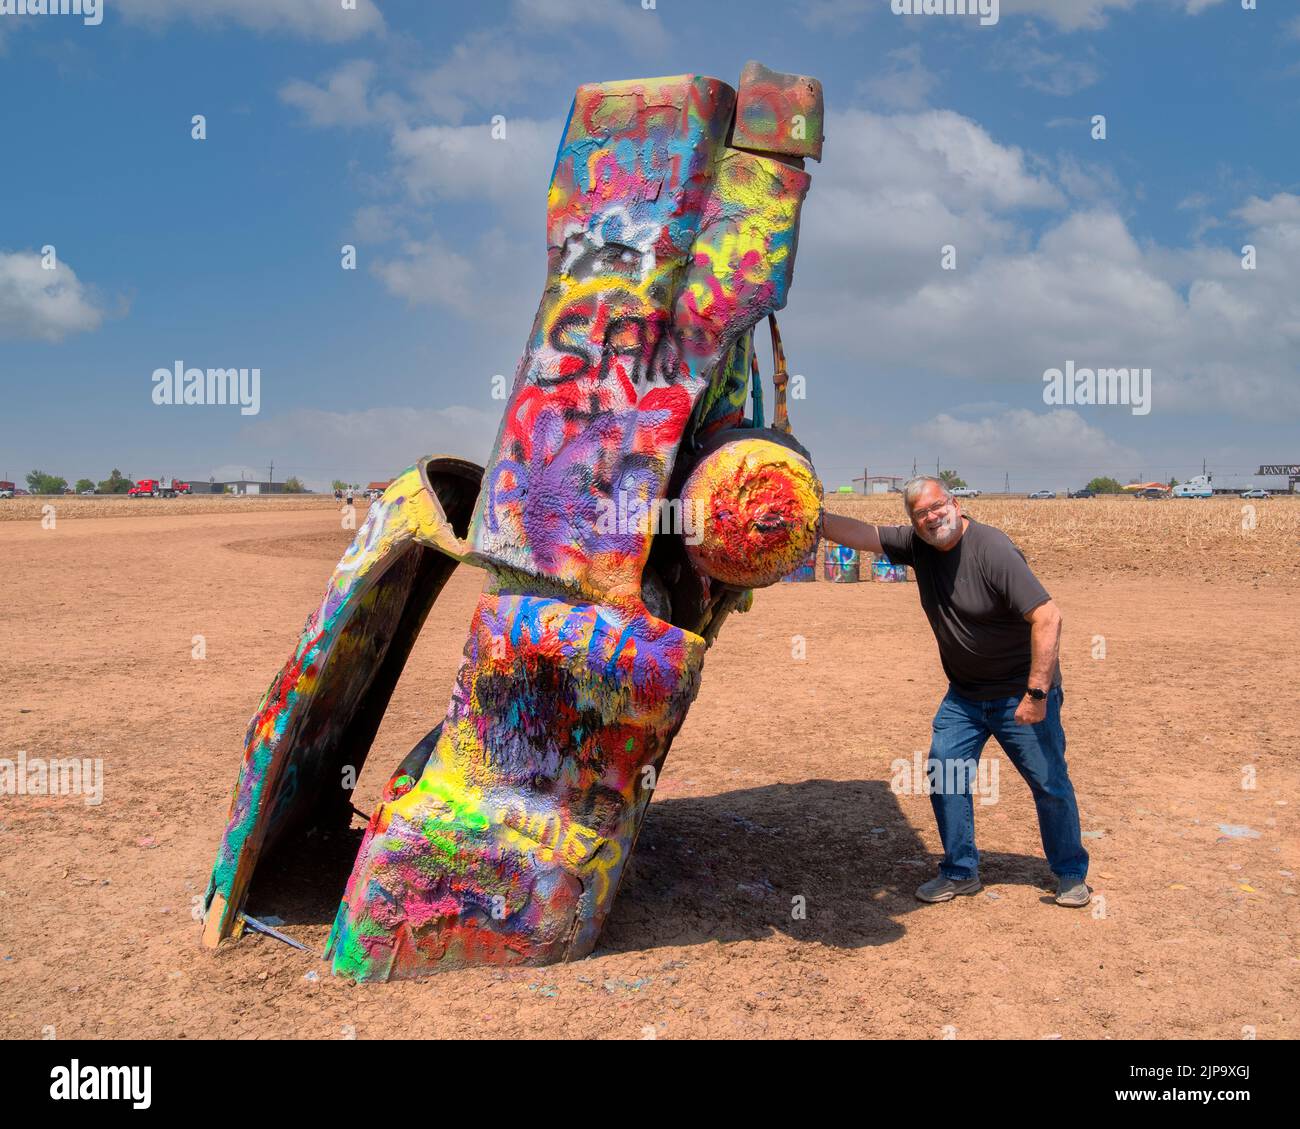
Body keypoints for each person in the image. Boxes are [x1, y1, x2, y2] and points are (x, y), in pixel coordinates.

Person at [822, 476, 1090, 907]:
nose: (931, 518)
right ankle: (961, 871)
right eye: (920, 513)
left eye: (936, 507)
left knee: (1049, 782)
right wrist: (809, 519)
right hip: (965, 696)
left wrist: (1037, 694)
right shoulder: (918, 545)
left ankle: (1071, 873)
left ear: (955, 503)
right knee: (945, 773)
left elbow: (1049, 617)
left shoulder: (993, 550)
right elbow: (863, 534)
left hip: (1019, 694)